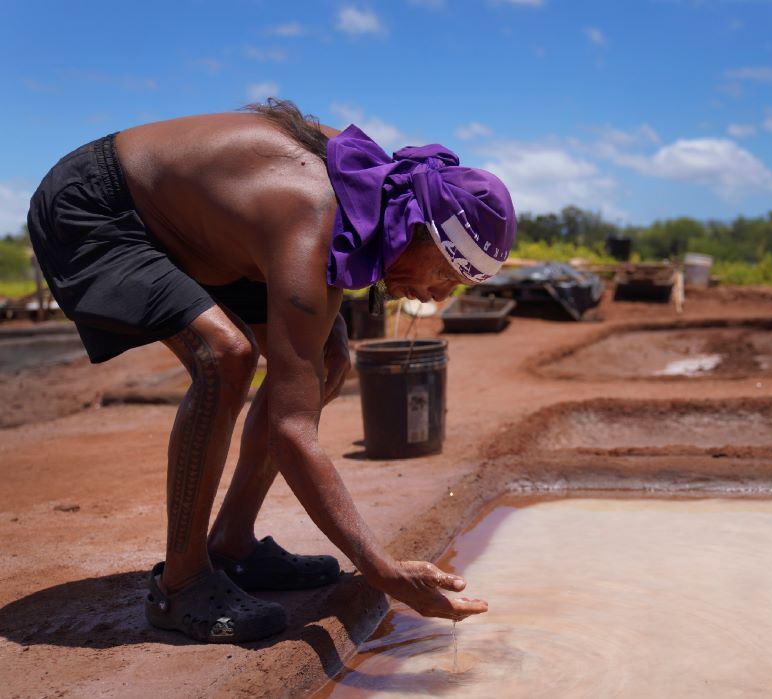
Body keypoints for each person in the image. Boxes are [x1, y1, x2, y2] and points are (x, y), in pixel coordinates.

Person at [26, 99, 516, 643]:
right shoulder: (313, 217)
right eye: (445, 276)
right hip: (98, 207)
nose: (437, 297)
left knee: (328, 359)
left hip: (201, 231)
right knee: (226, 356)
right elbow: (291, 432)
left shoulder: (372, 193)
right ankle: (181, 583)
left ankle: (233, 544)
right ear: (416, 231)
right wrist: (381, 568)